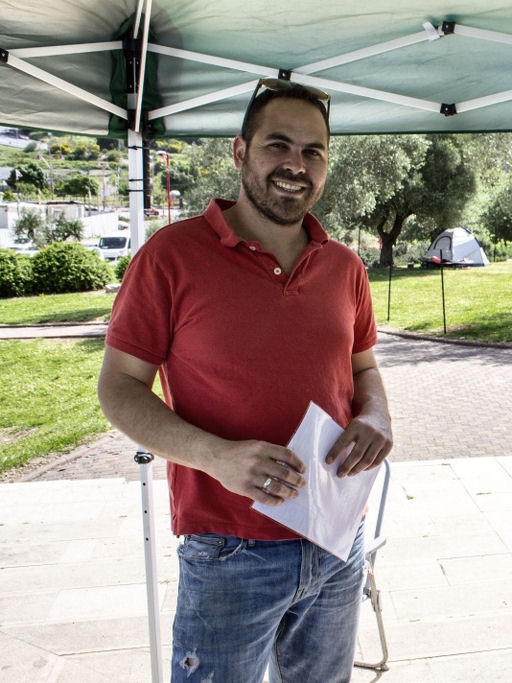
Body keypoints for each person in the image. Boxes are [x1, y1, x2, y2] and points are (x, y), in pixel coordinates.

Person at [97, 78, 393, 682]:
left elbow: (363, 367)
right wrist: (215, 457)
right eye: (277, 145)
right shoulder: (170, 257)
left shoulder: (344, 266)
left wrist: (378, 416)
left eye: (314, 152)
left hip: (335, 536)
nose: (296, 165)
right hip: (230, 549)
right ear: (239, 153)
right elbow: (119, 387)